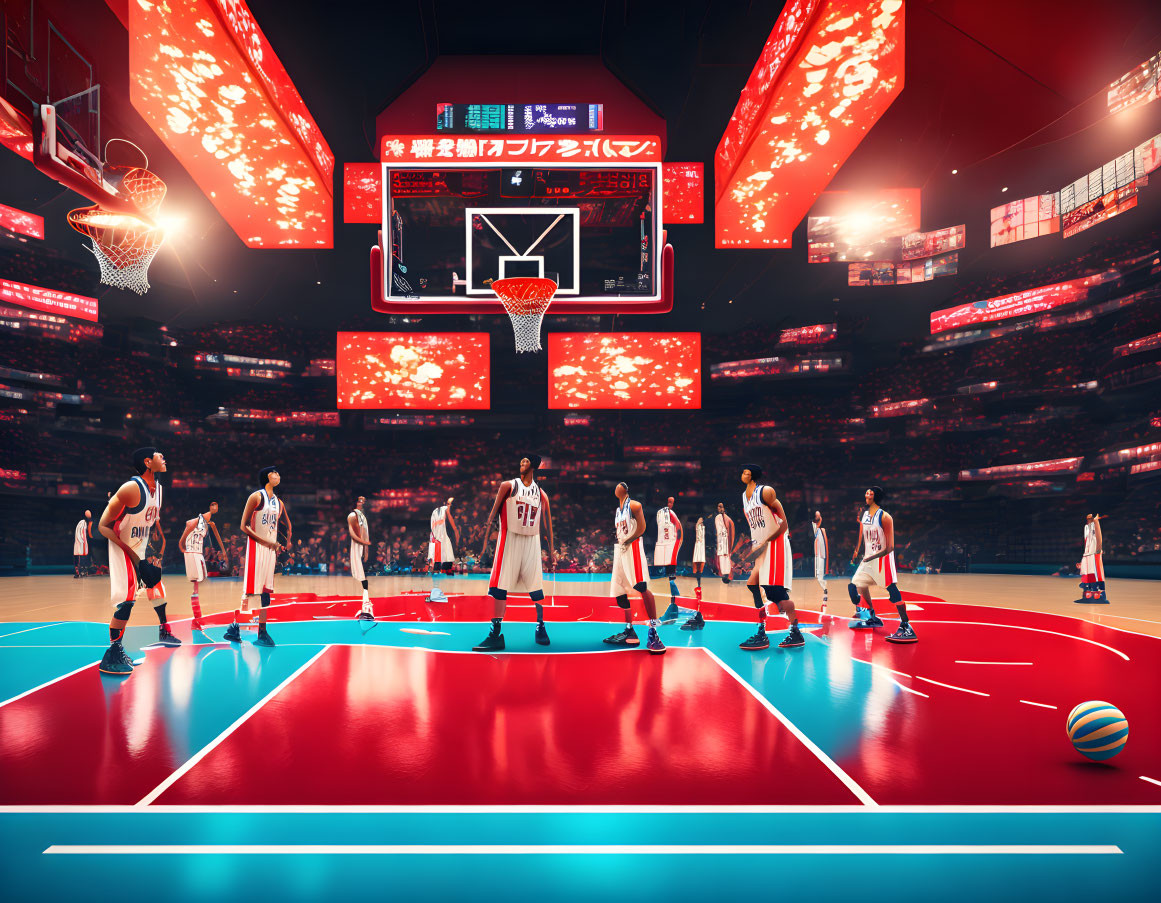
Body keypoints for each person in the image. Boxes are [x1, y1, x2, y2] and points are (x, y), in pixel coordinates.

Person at [96, 447, 178, 676]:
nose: (165, 457)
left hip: (138, 549)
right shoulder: (131, 488)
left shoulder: (159, 490)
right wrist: (132, 555)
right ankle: (111, 654)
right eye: (160, 455)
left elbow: (146, 526)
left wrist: (148, 552)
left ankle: (120, 648)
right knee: (126, 601)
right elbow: (102, 525)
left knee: (145, 594)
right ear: (147, 462)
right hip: (121, 547)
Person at [475, 454, 555, 652]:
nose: (522, 463)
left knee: (537, 588)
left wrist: (551, 550)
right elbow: (492, 516)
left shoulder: (541, 494)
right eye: (520, 461)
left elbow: (548, 525)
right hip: (510, 538)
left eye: (526, 461)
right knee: (500, 588)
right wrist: (484, 545)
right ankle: (495, 634)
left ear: (534, 466)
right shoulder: (508, 486)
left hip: (532, 540)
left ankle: (541, 626)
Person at [738, 465, 802, 651]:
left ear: (754, 476)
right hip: (761, 547)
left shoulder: (765, 492)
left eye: (747, 472)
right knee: (752, 584)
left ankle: (795, 632)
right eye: (742, 472)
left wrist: (767, 541)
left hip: (775, 546)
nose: (744, 474)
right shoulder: (744, 498)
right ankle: (761, 631)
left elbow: (784, 525)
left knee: (775, 594)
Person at [225, 467, 289, 647]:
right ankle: (235, 628)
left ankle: (261, 631)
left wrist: (277, 543)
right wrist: (265, 541)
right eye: (274, 473)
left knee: (265, 593)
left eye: (279, 472)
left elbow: (276, 528)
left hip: (270, 550)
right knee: (252, 592)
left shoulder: (279, 503)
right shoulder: (256, 497)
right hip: (256, 548)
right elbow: (243, 526)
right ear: (266, 477)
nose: (278, 475)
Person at [603, 482, 665, 653]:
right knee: (620, 594)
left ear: (624, 489)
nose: (615, 488)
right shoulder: (618, 510)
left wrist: (629, 540)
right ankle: (629, 630)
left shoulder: (634, 505)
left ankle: (653, 632)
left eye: (617, 486)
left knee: (641, 586)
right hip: (621, 549)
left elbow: (642, 527)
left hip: (633, 547)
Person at [849, 486, 916, 643]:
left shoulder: (886, 517)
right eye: (866, 491)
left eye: (870, 492)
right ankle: (872, 616)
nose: (867, 494)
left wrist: (873, 556)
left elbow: (890, 547)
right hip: (868, 559)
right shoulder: (865, 515)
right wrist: (857, 550)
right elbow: (862, 533)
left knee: (892, 590)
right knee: (856, 585)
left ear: (876, 497)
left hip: (883, 559)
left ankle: (906, 626)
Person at [178, 501, 226, 631]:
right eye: (213, 505)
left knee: (199, 583)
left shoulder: (209, 524)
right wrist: (181, 545)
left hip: (198, 552)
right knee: (196, 586)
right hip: (191, 551)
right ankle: (197, 620)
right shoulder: (196, 520)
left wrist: (223, 550)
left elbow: (217, 536)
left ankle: (197, 619)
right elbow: (188, 525)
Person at [654, 496, 684, 622]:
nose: (671, 504)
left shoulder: (672, 514)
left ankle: (673, 605)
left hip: (671, 544)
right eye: (669, 501)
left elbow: (679, 528)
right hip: (663, 544)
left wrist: (678, 542)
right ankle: (671, 606)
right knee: (666, 577)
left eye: (672, 502)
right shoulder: (659, 514)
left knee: (671, 576)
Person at [427, 497, 459, 602]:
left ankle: (441, 588)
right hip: (439, 538)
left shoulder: (443, 512)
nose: (449, 505)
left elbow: (451, 524)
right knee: (438, 561)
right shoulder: (440, 511)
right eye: (448, 503)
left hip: (443, 538)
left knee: (444, 561)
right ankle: (437, 588)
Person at [348, 495, 374, 619]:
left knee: (363, 572)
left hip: (362, 547)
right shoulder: (354, 515)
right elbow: (354, 533)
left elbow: (365, 534)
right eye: (359, 500)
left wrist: (367, 549)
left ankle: (366, 598)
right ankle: (362, 598)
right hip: (357, 545)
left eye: (364, 501)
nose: (362, 502)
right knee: (358, 571)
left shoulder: (363, 517)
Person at [1075, 513, 1108, 603]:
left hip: (1094, 553)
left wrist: (1098, 549)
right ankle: (1088, 595)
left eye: (1090, 518)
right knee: (1088, 575)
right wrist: (1082, 564)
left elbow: (1099, 538)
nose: (1088, 520)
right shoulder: (1087, 529)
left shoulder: (1095, 527)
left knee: (1096, 575)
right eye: (1087, 519)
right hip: (1087, 554)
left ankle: (1101, 596)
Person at [812, 510, 828, 609]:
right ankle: (824, 589)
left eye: (820, 515)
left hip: (821, 555)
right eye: (818, 516)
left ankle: (825, 590)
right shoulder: (814, 528)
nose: (820, 517)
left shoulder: (822, 530)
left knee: (820, 575)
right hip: (816, 555)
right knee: (817, 576)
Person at [73, 510, 92, 577]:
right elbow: (81, 533)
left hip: (80, 545)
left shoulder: (82, 522)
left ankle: (80, 572)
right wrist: (83, 542)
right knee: (81, 558)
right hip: (81, 545)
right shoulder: (83, 522)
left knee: (80, 558)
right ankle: (80, 572)